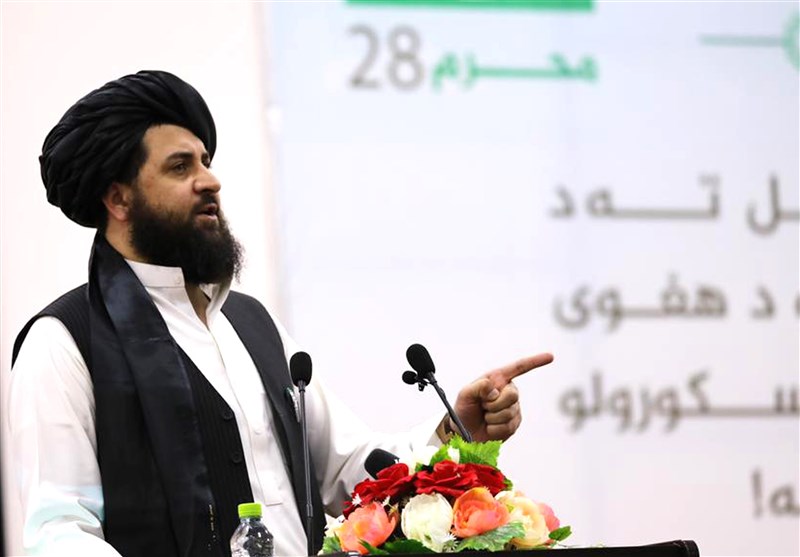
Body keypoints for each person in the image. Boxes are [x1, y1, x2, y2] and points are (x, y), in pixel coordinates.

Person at [8, 70, 554, 557]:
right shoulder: (64, 342)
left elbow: (352, 471)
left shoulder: (251, 325)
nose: (210, 181)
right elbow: (60, 532)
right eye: (179, 167)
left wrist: (455, 430)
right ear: (119, 199)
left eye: (206, 162)